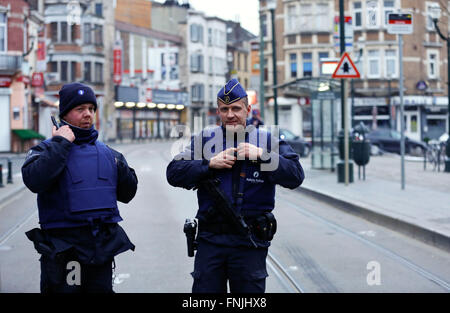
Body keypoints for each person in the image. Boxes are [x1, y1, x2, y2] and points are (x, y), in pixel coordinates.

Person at [166, 78, 304, 293]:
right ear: (218, 111)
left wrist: (263, 156)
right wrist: (209, 164)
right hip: (211, 241)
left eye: (236, 108)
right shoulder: (204, 140)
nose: (230, 114)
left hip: (250, 242)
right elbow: (174, 173)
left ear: (248, 109)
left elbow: (295, 175)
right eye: (224, 109)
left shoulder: (267, 141)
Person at [22, 82, 138, 293]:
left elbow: (128, 193)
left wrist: (119, 166)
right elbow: (34, 181)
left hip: (100, 250)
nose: (88, 114)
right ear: (64, 114)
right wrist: (61, 144)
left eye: (91, 109)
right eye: (80, 109)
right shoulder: (46, 149)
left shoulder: (109, 153)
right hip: (65, 251)